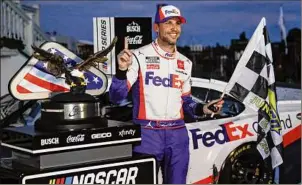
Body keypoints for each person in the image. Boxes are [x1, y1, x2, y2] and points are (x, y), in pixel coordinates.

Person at [109, 3, 224, 184]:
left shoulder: (185, 63)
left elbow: (186, 103)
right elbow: (116, 97)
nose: (174, 28)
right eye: (168, 22)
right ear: (156, 27)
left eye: (177, 23)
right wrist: (121, 71)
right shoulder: (138, 56)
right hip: (147, 134)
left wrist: (203, 108)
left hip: (177, 135)